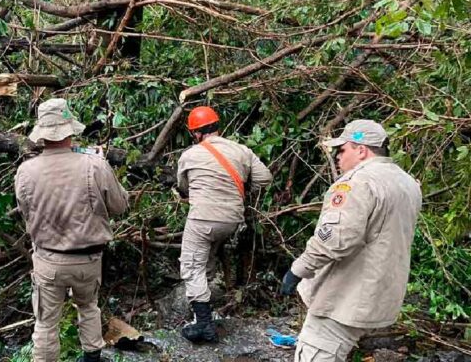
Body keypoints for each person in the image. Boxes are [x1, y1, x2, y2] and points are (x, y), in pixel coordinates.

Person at [281, 120, 422, 362]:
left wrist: (298, 270)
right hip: (380, 295)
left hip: (345, 298)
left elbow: (335, 241)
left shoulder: (356, 183)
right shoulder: (407, 183)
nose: (337, 156)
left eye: (342, 149)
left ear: (361, 150)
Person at [14, 98, 129, 362]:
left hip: (48, 260)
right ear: (70, 129)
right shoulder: (94, 165)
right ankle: (92, 358)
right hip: (88, 259)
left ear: (42, 133)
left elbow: (25, 212)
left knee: (45, 324)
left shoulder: (25, 171)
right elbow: (120, 206)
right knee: (89, 308)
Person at [176, 106, 273, 343]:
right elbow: (265, 178)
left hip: (203, 218)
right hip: (232, 220)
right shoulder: (241, 150)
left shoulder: (190, 155)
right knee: (205, 258)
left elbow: (183, 188)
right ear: (218, 127)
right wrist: (240, 187)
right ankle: (205, 308)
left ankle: (203, 324)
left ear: (196, 133)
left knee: (191, 266)